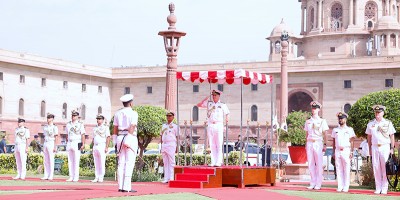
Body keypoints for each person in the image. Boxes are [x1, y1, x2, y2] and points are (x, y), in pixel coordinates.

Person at [366, 105, 396, 195]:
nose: (377, 114)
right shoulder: (371, 123)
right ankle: (378, 187)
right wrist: (370, 148)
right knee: (376, 167)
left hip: (385, 147)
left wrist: (392, 148)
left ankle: (384, 188)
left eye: (379, 112)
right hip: (375, 147)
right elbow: (369, 137)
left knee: (385, 167)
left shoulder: (388, 123)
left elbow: (392, 135)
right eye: (376, 112)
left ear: (383, 113)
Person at [112, 94, 138, 193]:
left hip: (119, 137)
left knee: (121, 162)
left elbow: (114, 128)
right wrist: (128, 138)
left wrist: (115, 141)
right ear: (131, 103)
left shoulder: (117, 113)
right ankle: (127, 187)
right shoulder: (133, 113)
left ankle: (120, 186)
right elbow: (132, 126)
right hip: (129, 137)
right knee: (129, 162)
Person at [304, 101, 329, 190]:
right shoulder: (308, 121)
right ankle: (312, 182)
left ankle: (318, 183)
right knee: (310, 163)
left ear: (319, 109)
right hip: (310, 142)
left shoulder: (322, 121)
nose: (313, 110)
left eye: (315, 108)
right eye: (313, 108)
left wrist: (325, 144)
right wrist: (306, 144)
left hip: (318, 142)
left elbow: (325, 133)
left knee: (319, 164)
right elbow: (306, 133)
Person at [205, 89, 230, 167]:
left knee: (219, 143)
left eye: (215, 95)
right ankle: (213, 161)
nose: (214, 97)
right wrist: (210, 110)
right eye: (213, 95)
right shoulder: (209, 104)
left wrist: (225, 123)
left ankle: (218, 161)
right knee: (212, 144)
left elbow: (227, 113)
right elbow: (208, 115)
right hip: (211, 124)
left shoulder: (222, 104)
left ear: (219, 96)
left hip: (219, 125)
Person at [331, 112, 355, 192]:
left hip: (346, 150)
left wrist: (351, 152)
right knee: (338, 168)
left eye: (342, 118)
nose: (340, 120)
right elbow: (334, 141)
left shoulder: (349, 129)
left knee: (346, 168)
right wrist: (333, 152)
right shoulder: (335, 130)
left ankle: (346, 186)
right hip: (338, 150)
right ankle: (340, 186)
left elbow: (352, 141)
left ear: (345, 119)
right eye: (339, 119)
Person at [65, 110, 86, 182]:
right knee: (70, 160)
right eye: (72, 115)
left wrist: (83, 144)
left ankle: (76, 176)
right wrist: (67, 142)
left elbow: (83, 134)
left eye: (74, 116)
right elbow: (66, 134)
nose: (73, 117)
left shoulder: (80, 124)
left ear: (77, 117)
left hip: (77, 142)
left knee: (76, 160)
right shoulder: (68, 124)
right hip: (70, 142)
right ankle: (71, 176)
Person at [160, 111, 179, 183]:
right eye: (167, 116)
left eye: (170, 116)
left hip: (171, 144)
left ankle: (171, 177)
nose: (168, 117)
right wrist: (160, 145)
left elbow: (177, 137)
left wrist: (177, 146)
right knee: (165, 162)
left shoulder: (175, 126)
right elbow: (161, 135)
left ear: (173, 117)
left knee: (171, 162)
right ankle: (166, 178)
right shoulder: (163, 126)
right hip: (164, 144)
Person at [91, 114, 110, 183]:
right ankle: (96, 176)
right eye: (97, 119)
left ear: (102, 120)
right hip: (95, 146)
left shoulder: (105, 127)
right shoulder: (95, 128)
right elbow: (93, 138)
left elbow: (108, 137)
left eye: (99, 119)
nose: (98, 120)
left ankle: (101, 177)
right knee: (96, 162)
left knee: (102, 161)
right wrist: (92, 146)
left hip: (102, 145)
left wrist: (106, 147)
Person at [41, 113, 59, 180]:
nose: (48, 119)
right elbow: (44, 136)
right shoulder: (45, 127)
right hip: (46, 142)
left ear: (52, 119)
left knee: (51, 159)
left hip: (51, 142)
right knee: (45, 160)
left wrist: (55, 146)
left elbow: (56, 137)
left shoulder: (54, 127)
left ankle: (51, 175)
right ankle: (46, 174)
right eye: (47, 118)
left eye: (49, 118)